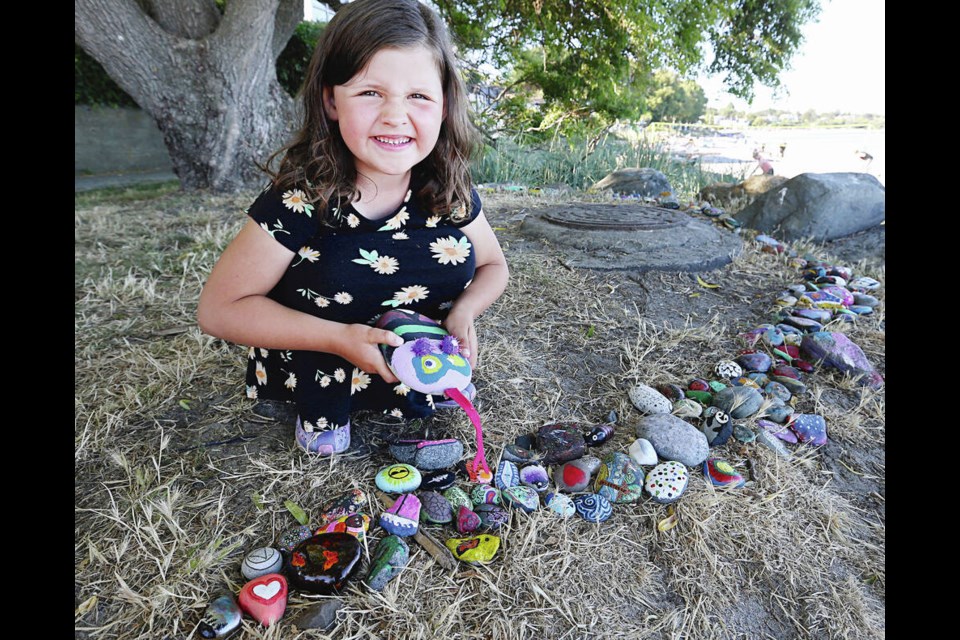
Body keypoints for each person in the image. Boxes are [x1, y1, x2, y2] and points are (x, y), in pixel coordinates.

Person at [197, 0, 509, 456]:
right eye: (370, 93)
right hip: (317, 369)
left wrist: (464, 312)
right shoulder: (299, 198)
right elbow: (219, 310)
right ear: (331, 100)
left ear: (444, 107)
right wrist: (338, 339)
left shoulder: (449, 188)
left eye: (419, 96)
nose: (395, 116)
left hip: (416, 362)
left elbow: (494, 265)